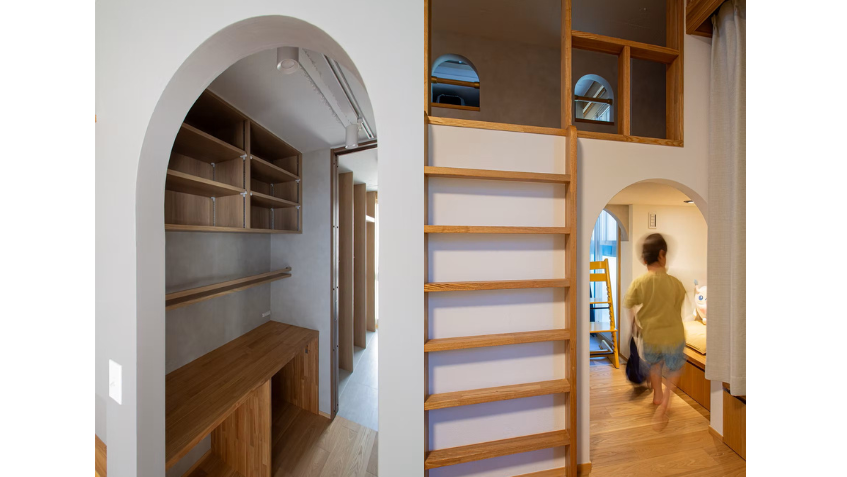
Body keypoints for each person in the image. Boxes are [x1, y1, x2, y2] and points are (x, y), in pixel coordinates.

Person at [624, 233, 686, 427]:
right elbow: (677, 306)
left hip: (650, 335)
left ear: (644, 260)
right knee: (674, 369)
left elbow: (628, 303)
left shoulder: (640, 282)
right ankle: (666, 401)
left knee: (655, 365)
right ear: (662, 255)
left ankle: (657, 395)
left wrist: (634, 323)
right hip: (674, 336)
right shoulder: (675, 283)